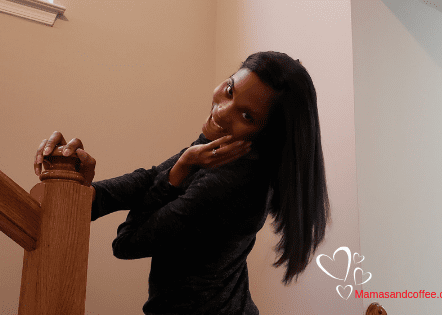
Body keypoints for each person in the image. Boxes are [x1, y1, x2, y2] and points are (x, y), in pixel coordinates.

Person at [33, 51, 330, 315]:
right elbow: (151, 179)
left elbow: (128, 242)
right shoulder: (223, 151)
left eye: (247, 115)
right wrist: (77, 187)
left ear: (265, 136)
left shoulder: (231, 186)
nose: (222, 111)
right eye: (229, 90)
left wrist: (181, 169)